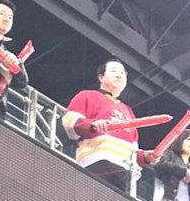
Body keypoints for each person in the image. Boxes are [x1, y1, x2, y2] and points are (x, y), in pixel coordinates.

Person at [62, 58, 155, 193]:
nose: (119, 75)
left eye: (122, 73)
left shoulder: (128, 111)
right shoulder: (88, 96)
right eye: (113, 71)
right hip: (95, 163)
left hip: (123, 171)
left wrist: (144, 157)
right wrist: (92, 125)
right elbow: (69, 121)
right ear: (101, 77)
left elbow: (132, 149)